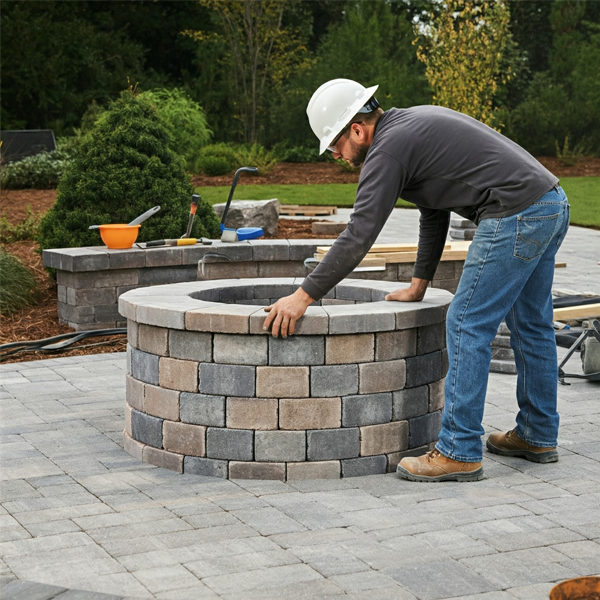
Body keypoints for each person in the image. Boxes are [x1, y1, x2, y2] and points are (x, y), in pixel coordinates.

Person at [263, 78, 570, 482]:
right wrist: (418, 283)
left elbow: (360, 232)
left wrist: (304, 296)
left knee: (465, 322)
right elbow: (434, 211)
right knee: (531, 325)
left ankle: (459, 450)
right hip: (549, 203)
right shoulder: (407, 129)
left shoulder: (388, 149)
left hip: (516, 212)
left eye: (335, 144)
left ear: (357, 128)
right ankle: (537, 433)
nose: (336, 155)